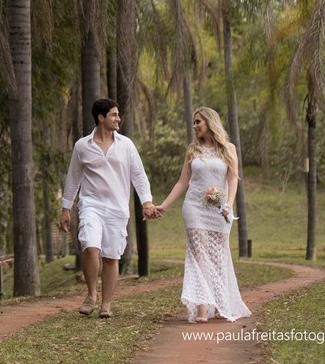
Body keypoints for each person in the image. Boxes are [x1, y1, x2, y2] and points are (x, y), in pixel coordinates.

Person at [60, 98, 158, 319]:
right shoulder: (82, 146)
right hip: (91, 205)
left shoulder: (126, 145)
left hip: (117, 208)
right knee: (90, 247)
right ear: (101, 118)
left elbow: (139, 176)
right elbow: (73, 178)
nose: (118, 118)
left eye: (118, 114)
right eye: (114, 115)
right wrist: (66, 208)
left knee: (112, 257)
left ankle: (106, 305)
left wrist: (147, 202)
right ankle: (92, 294)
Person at [155, 106, 251, 323]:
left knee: (217, 256)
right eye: (194, 122)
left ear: (209, 122)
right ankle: (202, 308)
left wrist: (228, 203)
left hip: (219, 211)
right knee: (199, 256)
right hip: (194, 209)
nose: (195, 125)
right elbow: (182, 182)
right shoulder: (193, 151)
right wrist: (164, 205)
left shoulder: (228, 149)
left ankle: (219, 303)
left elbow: (233, 179)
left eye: (198, 121)